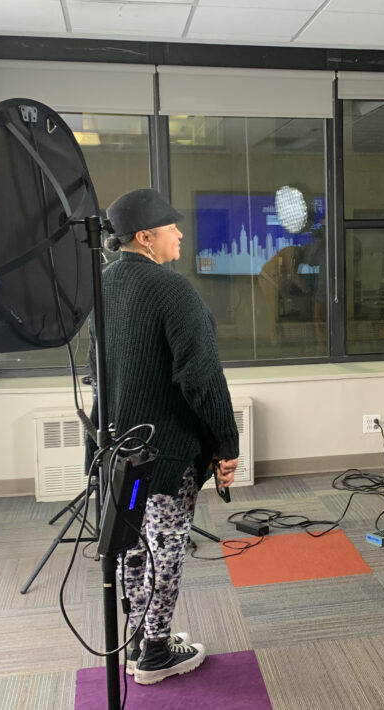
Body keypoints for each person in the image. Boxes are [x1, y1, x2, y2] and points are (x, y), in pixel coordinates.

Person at [88, 188, 240, 684]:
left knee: (132, 542)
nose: (180, 233)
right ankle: (155, 652)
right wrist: (227, 442)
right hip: (169, 449)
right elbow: (201, 377)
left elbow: (97, 372)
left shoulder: (102, 287)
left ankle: (136, 637)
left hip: (119, 450)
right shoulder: (174, 291)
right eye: (172, 227)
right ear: (146, 237)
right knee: (169, 543)